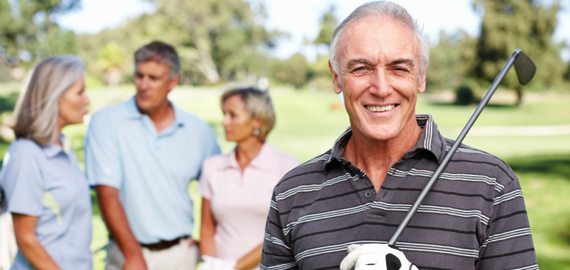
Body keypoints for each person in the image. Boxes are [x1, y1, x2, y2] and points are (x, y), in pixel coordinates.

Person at [261, 1, 538, 269]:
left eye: (399, 68)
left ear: (420, 77)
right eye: (362, 68)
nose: (381, 88)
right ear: (336, 78)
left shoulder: (492, 183)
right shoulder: (292, 193)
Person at [84, 41, 220, 270]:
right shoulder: (106, 122)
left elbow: (218, 190)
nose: (143, 85)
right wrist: (133, 255)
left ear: (173, 82)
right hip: (127, 256)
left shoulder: (199, 131)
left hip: (181, 256)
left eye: (154, 78)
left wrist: (204, 243)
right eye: (139, 76)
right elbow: (107, 194)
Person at [0, 55, 92, 270]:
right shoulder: (26, 154)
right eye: (79, 92)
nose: (86, 99)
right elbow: (26, 239)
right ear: (54, 96)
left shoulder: (62, 146)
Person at [198, 87, 299, 270]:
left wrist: (233, 267)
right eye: (224, 114)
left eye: (232, 115)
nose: (224, 122)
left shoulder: (286, 167)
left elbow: (287, 234)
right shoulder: (212, 167)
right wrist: (212, 264)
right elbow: (206, 228)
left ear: (257, 121)